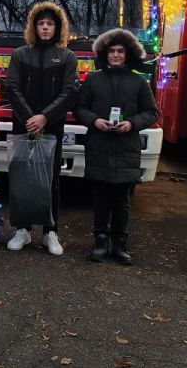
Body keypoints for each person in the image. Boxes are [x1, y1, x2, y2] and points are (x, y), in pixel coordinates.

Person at [75, 28, 158, 265]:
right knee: (100, 198)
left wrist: (132, 123)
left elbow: (152, 112)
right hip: (99, 146)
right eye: (111, 51)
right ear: (104, 54)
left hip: (126, 148)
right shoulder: (92, 80)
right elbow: (79, 108)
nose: (116, 55)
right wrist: (94, 121)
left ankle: (120, 244)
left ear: (128, 54)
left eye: (120, 51)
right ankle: (100, 241)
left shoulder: (139, 83)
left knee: (122, 201)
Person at [5, 1, 78, 256]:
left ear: (58, 28)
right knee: (22, 176)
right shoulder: (20, 54)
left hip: (52, 126)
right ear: (34, 27)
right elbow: (12, 88)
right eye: (41, 23)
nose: (45, 28)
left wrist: (44, 118)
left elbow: (70, 92)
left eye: (50, 24)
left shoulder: (67, 56)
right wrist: (30, 119)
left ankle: (50, 230)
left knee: (51, 180)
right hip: (23, 124)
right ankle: (22, 230)